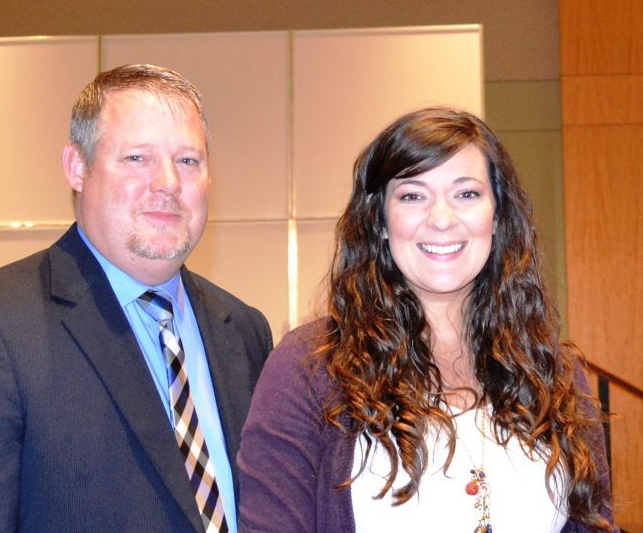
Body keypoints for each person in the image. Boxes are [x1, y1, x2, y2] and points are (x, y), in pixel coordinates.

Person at [0, 64, 273, 533]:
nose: (168, 182)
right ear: (77, 167)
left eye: (188, 160)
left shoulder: (244, 330)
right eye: (137, 158)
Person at [238, 107, 617, 532]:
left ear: (497, 215)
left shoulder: (553, 371)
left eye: (466, 194)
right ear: (380, 221)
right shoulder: (309, 366)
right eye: (412, 196)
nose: (441, 219)